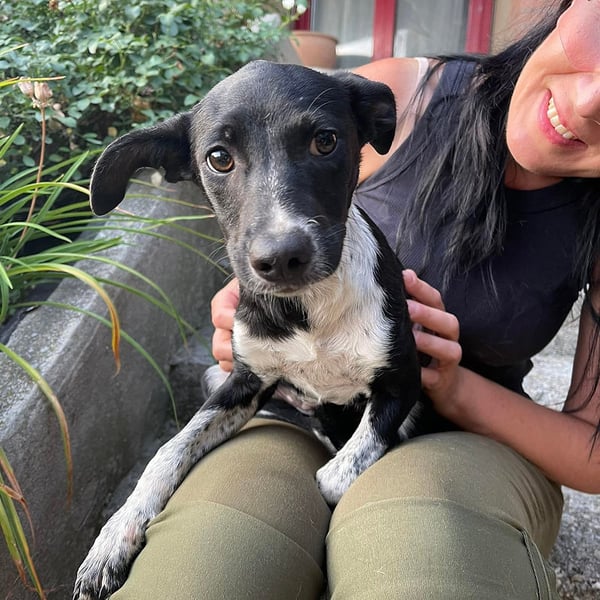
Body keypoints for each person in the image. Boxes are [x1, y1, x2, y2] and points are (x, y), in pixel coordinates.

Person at [111, 0, 600, 598]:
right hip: (292, 414)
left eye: (323, 143)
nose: (589, 101)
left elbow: (593, 451)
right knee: (207, 568)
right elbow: (275, 200)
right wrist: (248, 310)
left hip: (470, 443)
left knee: (420, 569)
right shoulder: (397, 95)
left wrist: (450, 385)